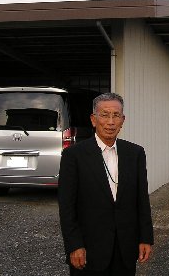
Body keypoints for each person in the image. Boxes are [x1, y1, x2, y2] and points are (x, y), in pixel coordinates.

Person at [58, 92, 153, 276]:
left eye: (116, 115)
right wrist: (74, 245)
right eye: (105, 115)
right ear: (94, 119)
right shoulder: (74, 156)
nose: (110, 122)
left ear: (122, 120)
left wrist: (145, 238)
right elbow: (66, 205)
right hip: (88, 250)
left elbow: (142, 199)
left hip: (125, 249)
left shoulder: (135, 153)